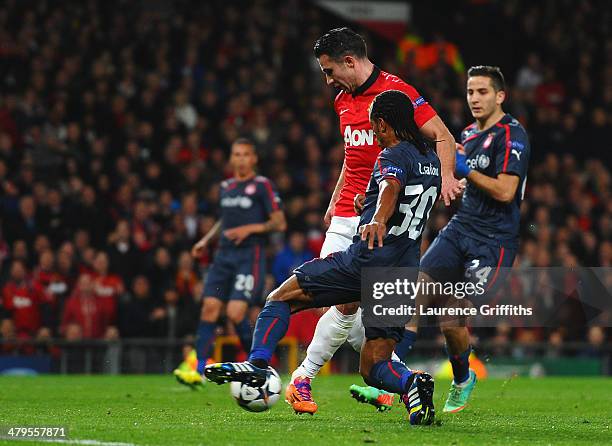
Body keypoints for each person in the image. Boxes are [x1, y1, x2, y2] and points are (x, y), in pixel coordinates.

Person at [204, 90, 441, 426]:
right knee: (375, 366)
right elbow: (404, 198)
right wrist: (369, 207)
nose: (373, 132)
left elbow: (390, 188)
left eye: (374, 126)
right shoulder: (430, 160)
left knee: (281, 298)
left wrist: (377, 218)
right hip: (401, 272)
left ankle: (257, 364)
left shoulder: (390, 156)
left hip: (367, 262)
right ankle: (411, 384)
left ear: (384, 124)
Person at [286, 27, 463, 414]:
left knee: (354, 309)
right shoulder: (341, 102)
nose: (328, 80)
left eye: (330, 71)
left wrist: (447, 177)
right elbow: (352, 157)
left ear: (350, 61)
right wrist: (335, 199)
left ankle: (304, 379)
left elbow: (443, 137)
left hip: (385, 219)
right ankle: (395, 381)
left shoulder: (397, 95)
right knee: (344, 307)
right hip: (349, 213)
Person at [352, 66, 531, 413]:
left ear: (500, 96)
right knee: (412, 295)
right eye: (470, 92)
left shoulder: (513, 135)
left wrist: (467, 172)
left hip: (494, 241)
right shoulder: (466, 133)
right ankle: (397, 384)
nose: (475, 99)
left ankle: (463, 377)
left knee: (452, 316)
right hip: (460, 228)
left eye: (482, 92)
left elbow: (507, 191)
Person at [174, 138, 286, 386]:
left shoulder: (262, 186)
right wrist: (206, 240)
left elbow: (279, 222)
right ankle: (198, 369)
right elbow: (225, 221)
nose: (241, 159)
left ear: (254, 158)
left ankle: (256, 365)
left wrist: (249, 228)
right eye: (237, 154)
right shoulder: (226, 186)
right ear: (231, 159)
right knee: (209, 307)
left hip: (249, 256)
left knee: (236, 313)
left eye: (246, 154)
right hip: (223, 256)